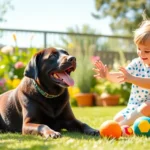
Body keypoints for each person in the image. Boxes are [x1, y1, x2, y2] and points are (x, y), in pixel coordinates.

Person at [93, 20, 150, 126]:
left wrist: (132, 78)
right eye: (138, 48)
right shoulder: (137, 63)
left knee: (147, 106)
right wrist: (108, 75)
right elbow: (122, 76)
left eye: (147, 51)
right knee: (117, 119)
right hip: (135, 107)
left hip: (148, 107)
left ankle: (122, 127)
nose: (141, 53)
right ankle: (125, 124)